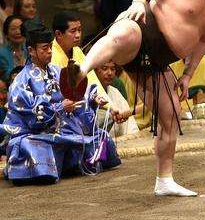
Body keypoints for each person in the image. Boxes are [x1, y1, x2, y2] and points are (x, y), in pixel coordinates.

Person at [69, 0, 205, 196]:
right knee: (122, 35)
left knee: (170, 116)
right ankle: (82, 69)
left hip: (159, 61)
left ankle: (164, 180)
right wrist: (139, 2)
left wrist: (188, 75)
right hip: (143, 26)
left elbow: (204, 40)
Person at [0, 20, 121, 184]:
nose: (50, 51)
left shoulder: (58, 71)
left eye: (50, 47)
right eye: (45, 48)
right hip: (35, 132)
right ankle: (48, 170)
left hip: (65, 128)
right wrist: (58, 107)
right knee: (30, 146)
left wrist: (92, 98)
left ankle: (71, 165)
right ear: (31, 51)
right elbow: (29, 114)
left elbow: (77, 92)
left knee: (100, 137)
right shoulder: (21, 81)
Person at [94, 60, 138, 137]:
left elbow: (129, 125)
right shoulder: (89, 93)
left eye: (112, 69)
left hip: (120, 142)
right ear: (96, 71)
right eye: (104, 68)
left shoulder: (115, 92)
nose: (109, 73)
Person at [0, 15, 26, 81]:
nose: (18, 32)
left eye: (21, 28)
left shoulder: (30, 50)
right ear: (6, 34)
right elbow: (7, 76)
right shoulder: (2, 53)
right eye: (13, 29)